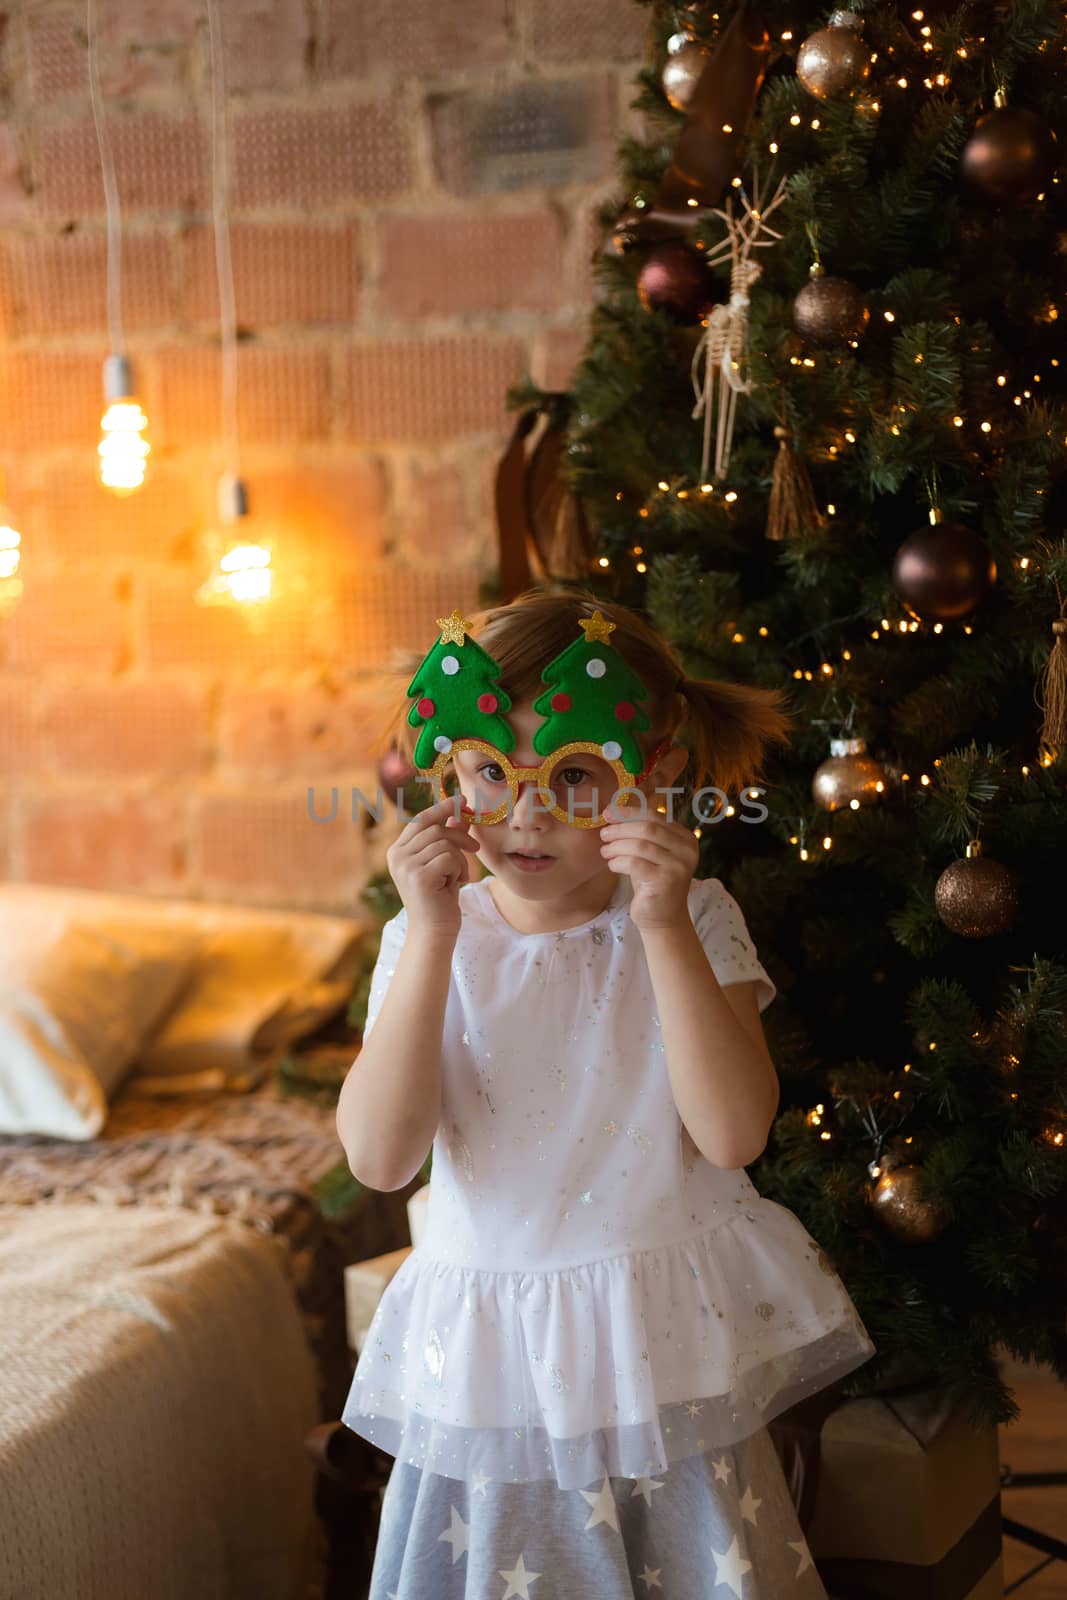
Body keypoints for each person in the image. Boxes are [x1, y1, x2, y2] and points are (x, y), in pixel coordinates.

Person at [336, 588, 876, 1599]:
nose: (525, 813)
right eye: (491, 773)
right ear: (450, 772)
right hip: (487, 1366)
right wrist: (436, 936)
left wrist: (662, 924)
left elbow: (729, 1133)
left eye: (571, 777)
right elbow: (377, 1156)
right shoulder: (423, 937)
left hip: (652, 1356)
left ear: (651, 773)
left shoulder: (689, 916)